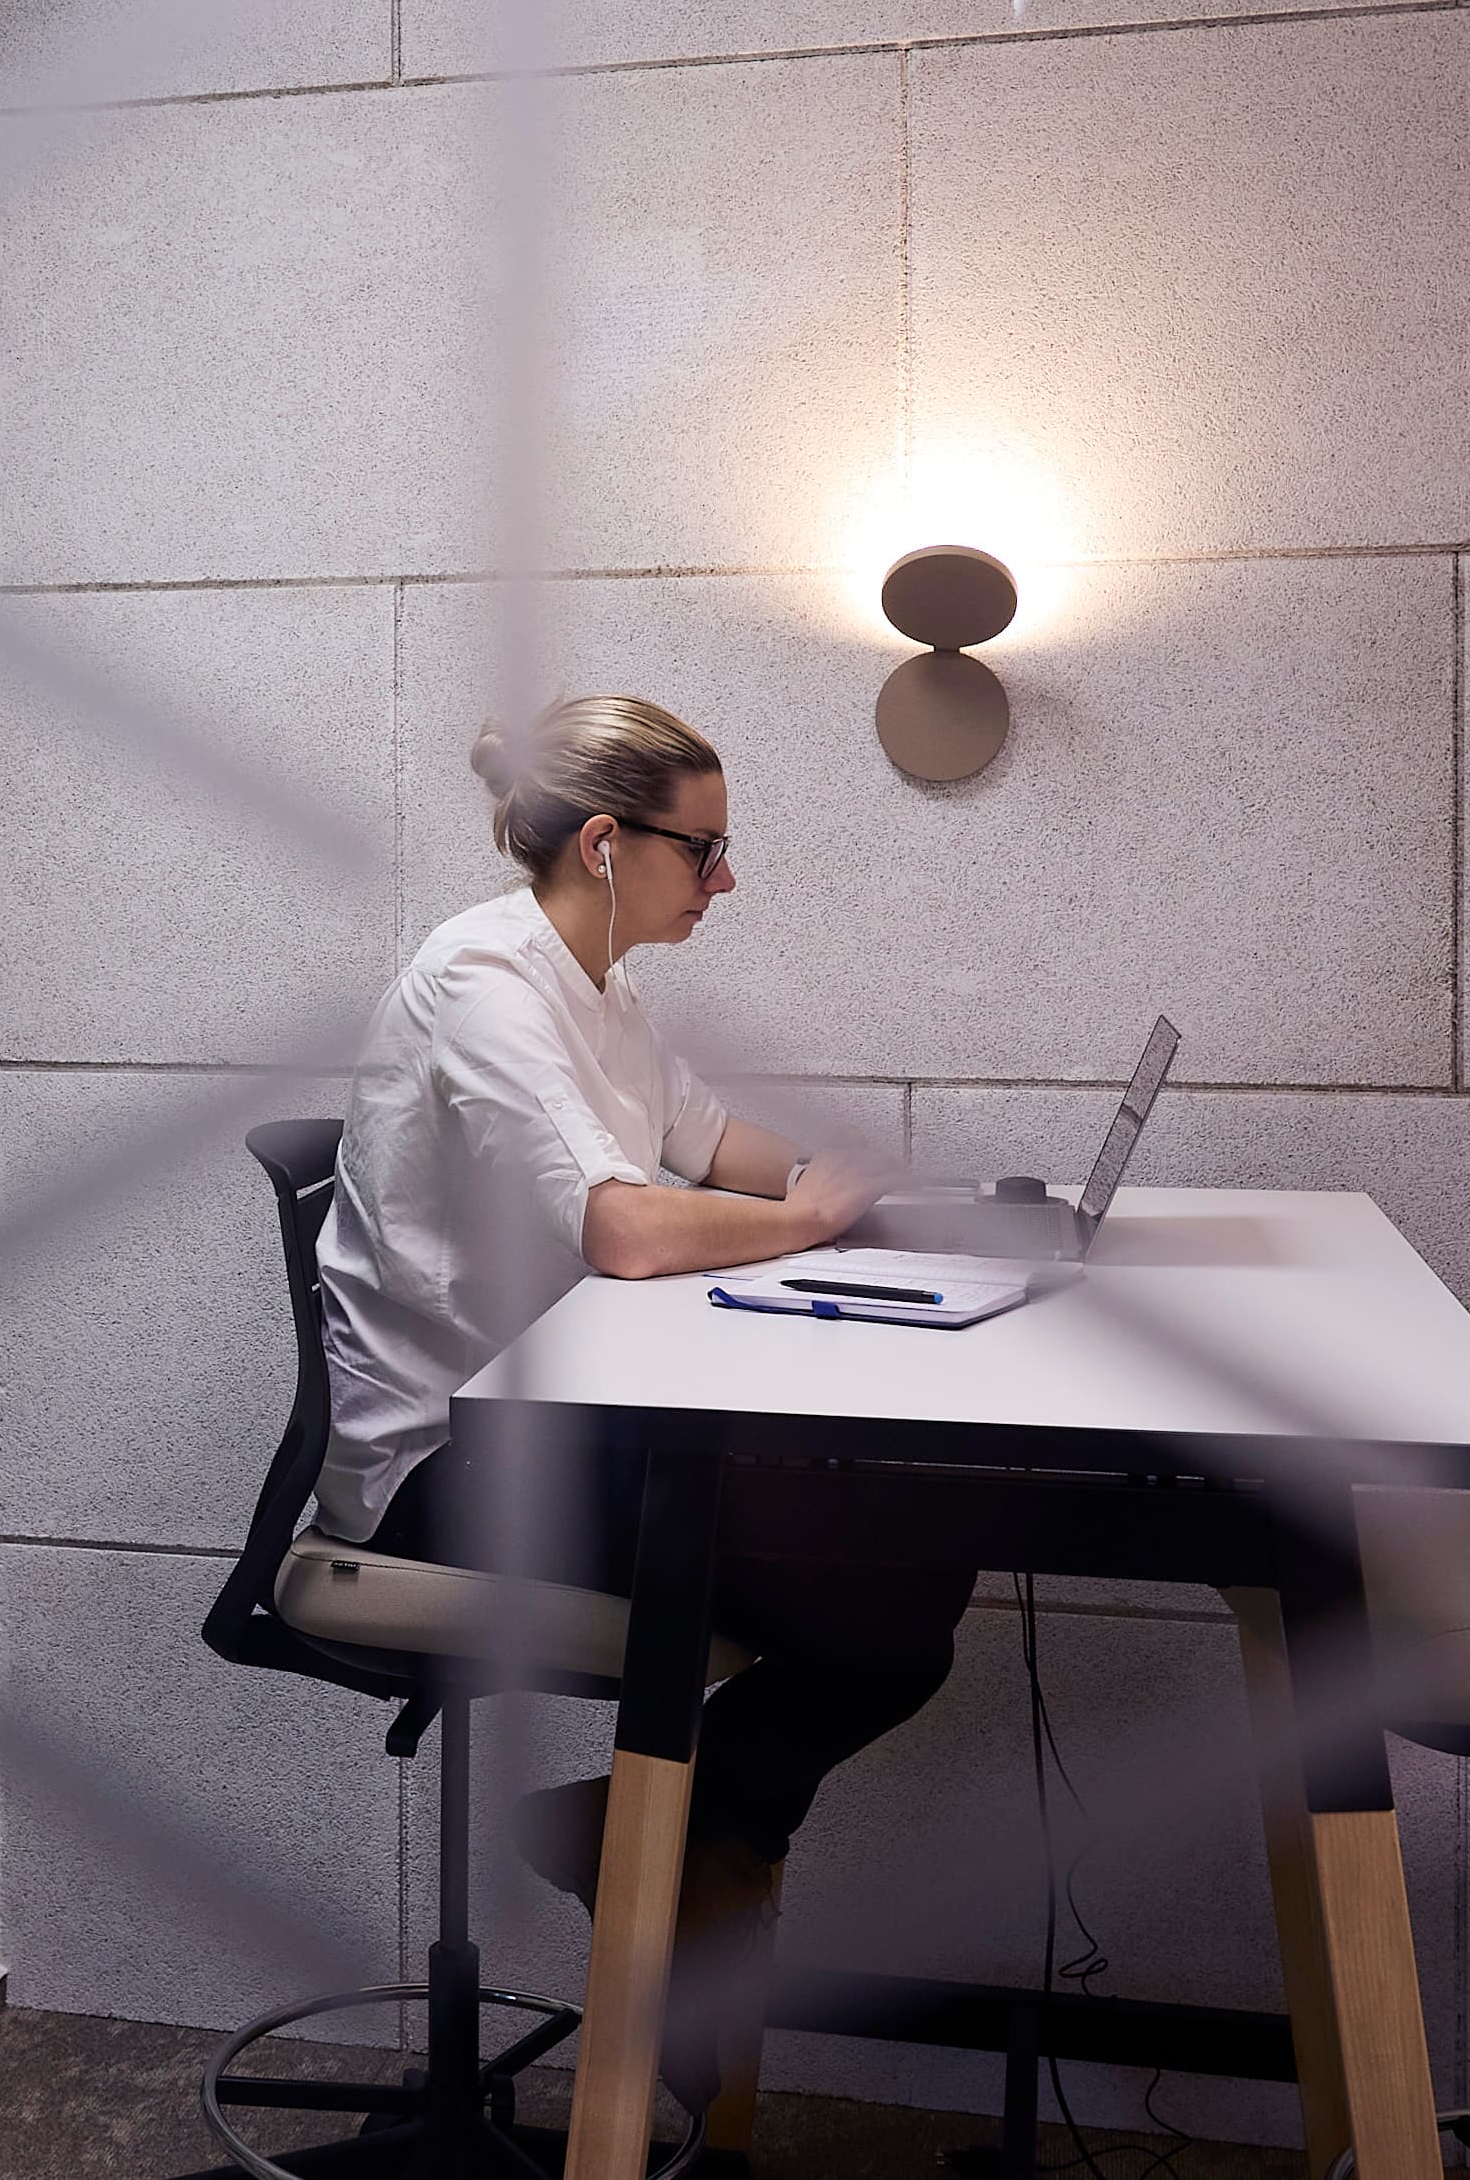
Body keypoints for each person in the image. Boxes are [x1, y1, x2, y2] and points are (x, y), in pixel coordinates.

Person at [311, 692, 981, 2091]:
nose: (725, 881)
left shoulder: (603, 983)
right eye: (705, 849)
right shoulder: (482, 980)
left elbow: (708, 1141)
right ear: (606, 844)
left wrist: (863, 1187)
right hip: (449, 1471)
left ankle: (648, 1829)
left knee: (922, 1554)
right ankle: (667, 1837)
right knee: (892, 1603)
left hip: (566, 1434)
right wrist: (805, 1221)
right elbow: (623, 1227)